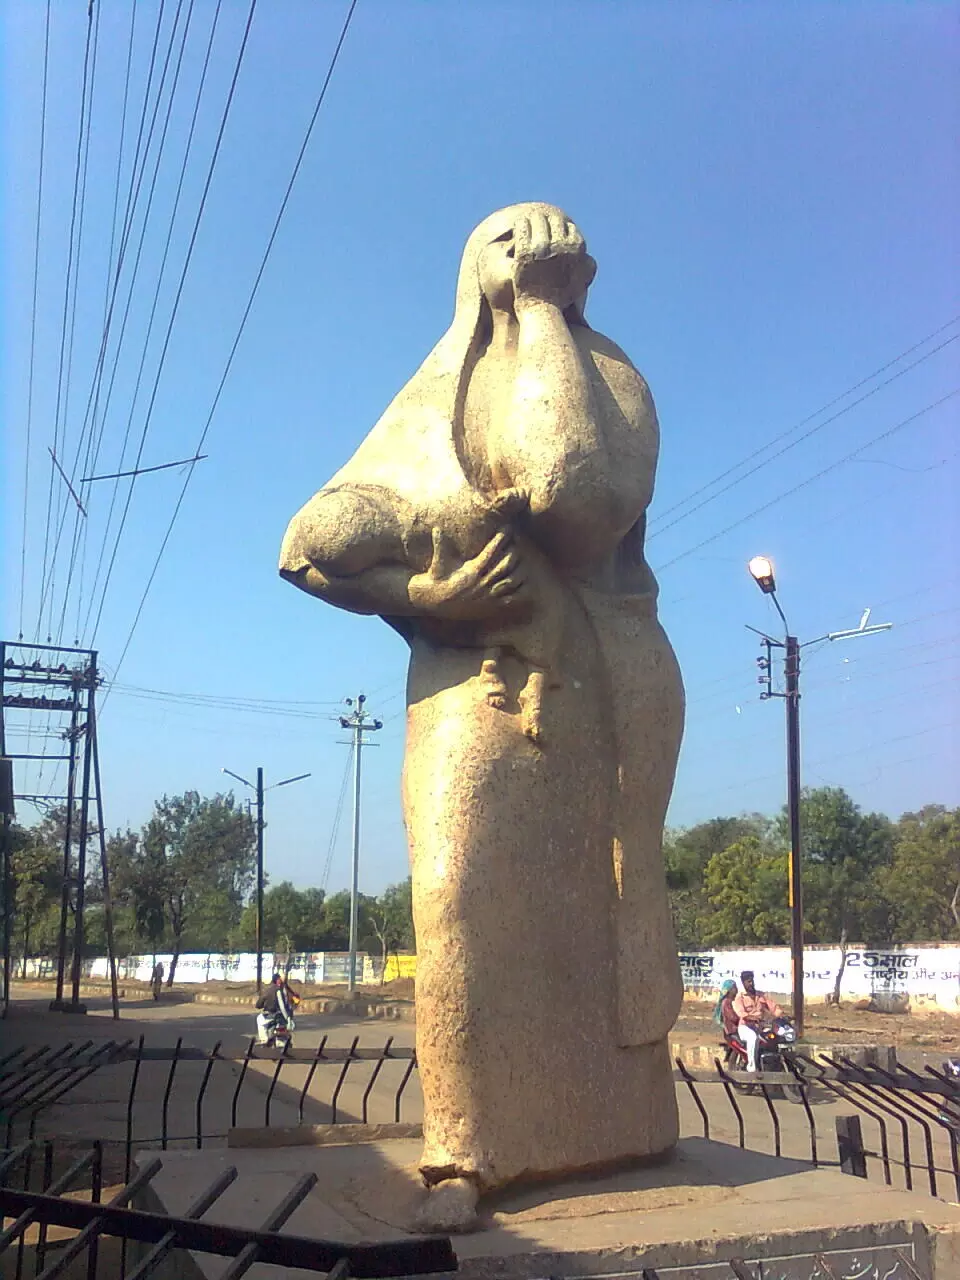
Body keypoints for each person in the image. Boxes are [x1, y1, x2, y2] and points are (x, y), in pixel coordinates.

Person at [279, 203, 685, 1201]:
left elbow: (572, 498)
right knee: (458, 896)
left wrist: (543, 317)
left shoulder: (612, 376)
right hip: (471, 682)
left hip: (600, 678)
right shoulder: (437, 391)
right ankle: (468, 1147)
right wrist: (429, 594)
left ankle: (618, 1131)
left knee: (605, 903)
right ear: (472, 268)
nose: (535, 250)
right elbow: (306, 546)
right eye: (511, 240)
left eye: (554, 239)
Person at [732, 970, 783, 1072]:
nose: (751, 983)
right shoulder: (739, 997)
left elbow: (774, 1007)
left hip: (759, 1026)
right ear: (743, 983)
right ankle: (751, 1068)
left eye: (752, 981)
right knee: (752, 1038)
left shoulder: (760, 995)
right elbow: (741, 1013)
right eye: (748, 981)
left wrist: (780, 1014)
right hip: (745, 1027)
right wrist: (752, 1018)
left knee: (775, 1036)